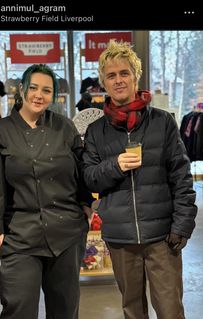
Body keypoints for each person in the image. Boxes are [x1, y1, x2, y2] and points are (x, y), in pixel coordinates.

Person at [82, 40, 197, 319]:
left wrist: (181, 226)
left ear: (136, 77)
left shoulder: (162, 122)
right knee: (132, 311)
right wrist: (115, 165)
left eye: (124, 73)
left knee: (171, 311)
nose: (118, 80)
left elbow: (182, 177)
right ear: (103, 82)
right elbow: (90, 179)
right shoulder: (96, 131)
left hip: (162, 238)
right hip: (120, 240)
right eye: (111, 75)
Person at [0, 64, 93, 319]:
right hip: (20, 235)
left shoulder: (64, 127)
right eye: (34, 88)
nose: (39, 95)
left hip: (66, 232)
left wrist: (86, 203)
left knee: (65, 309)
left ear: (54, 95)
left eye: (47, 90)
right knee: (19, 306)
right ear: (23, 90)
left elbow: (80, 170)